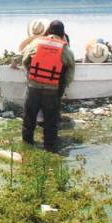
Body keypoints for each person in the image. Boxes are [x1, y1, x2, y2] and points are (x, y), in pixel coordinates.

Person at [21, 20, 75, 152]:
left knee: (29, 119)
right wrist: (60, 88)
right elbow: (69, 75)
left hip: (33, 87)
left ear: (48, 31)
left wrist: (31, 77)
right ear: (63, 34)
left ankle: (27, 146)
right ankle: (50, 148)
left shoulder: (36, 43)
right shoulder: (65, 49)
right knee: (51, 121)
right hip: (52, 90)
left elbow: (25, 60)